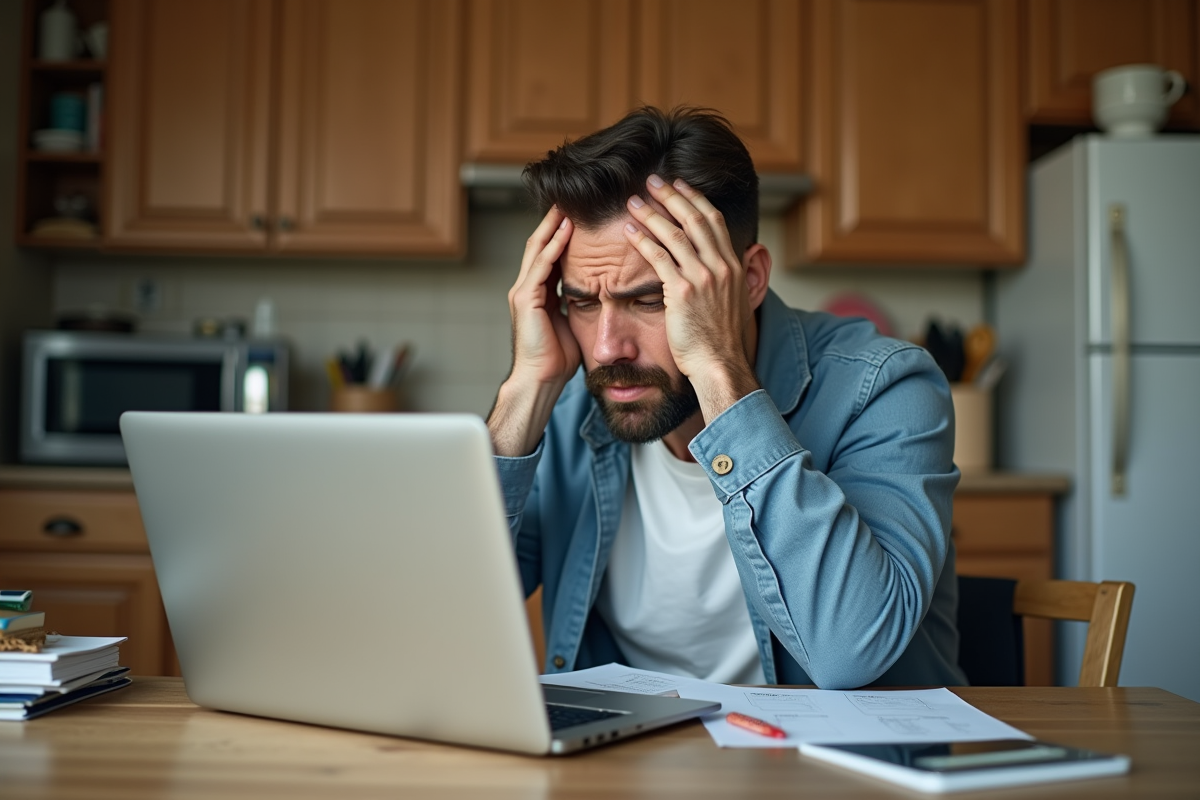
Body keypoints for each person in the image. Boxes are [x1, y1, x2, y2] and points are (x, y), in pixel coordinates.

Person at [487, 106, 965, 689]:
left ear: (751, 280)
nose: (608, 348)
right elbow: (439, 622)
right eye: (583, 303)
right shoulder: (569, 410)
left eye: (652, 299)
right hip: (627, 768)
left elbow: (851, 651)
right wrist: (526, 388)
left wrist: (718, 369)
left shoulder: (885, 389)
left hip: (828, 773)